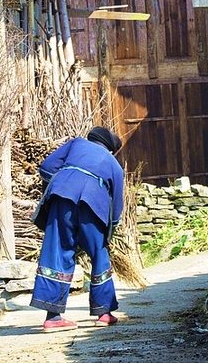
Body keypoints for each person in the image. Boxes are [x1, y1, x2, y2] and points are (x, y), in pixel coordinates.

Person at [30, 126, 125, 332]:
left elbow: (46, 168)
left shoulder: (76, 144)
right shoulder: (114, 165)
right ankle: (104, 313)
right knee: (99, 254)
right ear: (110, 149)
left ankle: (53, 317)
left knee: (58, 251)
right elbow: (116, 206)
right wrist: (111, 231)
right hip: (93, 204)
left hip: (61, 198)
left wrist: (66, 179)